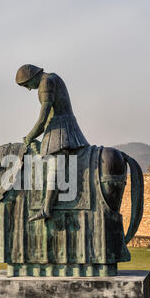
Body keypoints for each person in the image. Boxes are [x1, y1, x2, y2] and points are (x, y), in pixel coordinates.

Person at [16, 64, 89, 221]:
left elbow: (43, 119)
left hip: (61, 128)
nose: (28, 89)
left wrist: (29, 137)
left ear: (31, 77)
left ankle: (47, 208)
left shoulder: (46, 83)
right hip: (57, 125)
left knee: (55, 164)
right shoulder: (51, 78)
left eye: (27, 85)